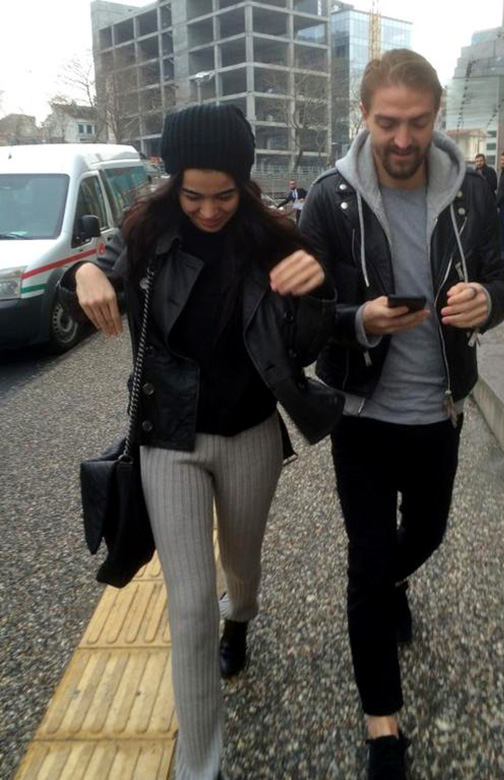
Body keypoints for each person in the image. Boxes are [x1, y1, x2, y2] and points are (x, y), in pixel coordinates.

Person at [61, 104, 343, 780]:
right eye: (194, 195)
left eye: (224, 195)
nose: (209, 210)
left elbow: (305, 345)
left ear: (243, 184)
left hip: (250, 433)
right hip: (168, 439)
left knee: (240, 565)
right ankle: (200, 766)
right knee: (189, 607)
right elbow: (100, 272)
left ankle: (240, 616)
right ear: (172, 178)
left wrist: (316, 292)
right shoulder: (145, 230)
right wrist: (83, 276)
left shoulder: (274, 239)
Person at [300, 49, 504, 779]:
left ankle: (391, 585)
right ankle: (383, 727)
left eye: (418, 122)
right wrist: (358, 320)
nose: (402, 138)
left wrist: (488, 303)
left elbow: (500, 280)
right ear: (363, 115)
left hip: (439, 411)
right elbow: (303, 320)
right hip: (361, 416)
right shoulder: (328, 198)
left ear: (437, 116)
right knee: (367, 562)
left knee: (425, 533)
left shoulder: (470, 191)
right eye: (388, 122)